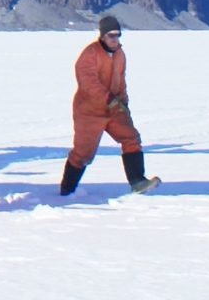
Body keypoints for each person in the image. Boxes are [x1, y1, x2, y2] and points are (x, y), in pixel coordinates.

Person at [61, 15, 159, 196]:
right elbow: (88, 82)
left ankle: (138, 181)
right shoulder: (90, 54)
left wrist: (124, 103)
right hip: (89, 112)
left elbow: (120, 81)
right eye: (111, 35)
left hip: (114, 109)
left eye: (118, 35)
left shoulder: (120, 55)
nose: (115, 39)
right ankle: (67, 189)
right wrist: (108, 99)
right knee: (83, 154)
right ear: (102, 36)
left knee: (131, 138)